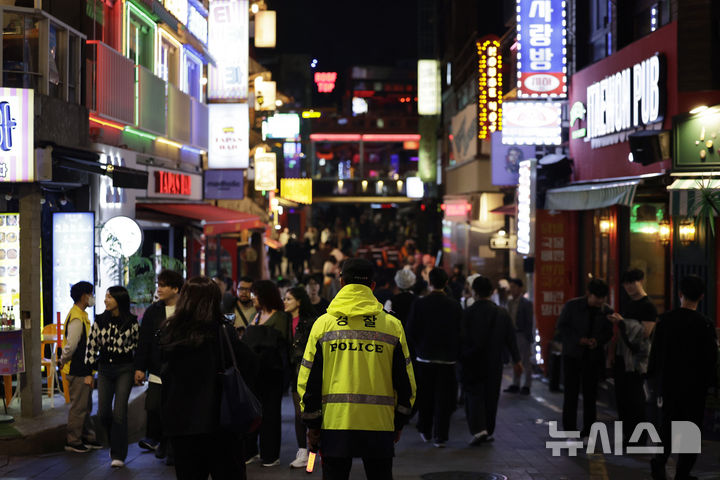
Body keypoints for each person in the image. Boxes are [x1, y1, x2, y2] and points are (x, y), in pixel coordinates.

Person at [298, 258, 416, 479]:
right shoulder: (392, 326)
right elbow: (406, 381)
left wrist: (312, 424)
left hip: (335, 424)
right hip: (380, 424)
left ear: (341, 283)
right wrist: (399, 421)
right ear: (372, 286)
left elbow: (307, 379)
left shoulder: (323, 325)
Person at [159, 276, 258, 480]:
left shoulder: (171, 331)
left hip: (182, 424)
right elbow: (250, 364)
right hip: (221, 422)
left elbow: (164, 374)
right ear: (214, 300)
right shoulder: (223, 330)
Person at [648, 275, 717, 480]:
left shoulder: (665, 321)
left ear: (680, 294)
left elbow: (655, 355)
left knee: (667, 427)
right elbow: (711, 359)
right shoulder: (705, 325)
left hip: (669, 385)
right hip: (695, 388)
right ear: (702, 296)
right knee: (690, 430)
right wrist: (711, 385)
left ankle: (659, 462)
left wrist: (652, 381)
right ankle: (682, 474)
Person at [461, 276, 522, 445]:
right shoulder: (501, 313)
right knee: (491, 396)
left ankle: (478, 429)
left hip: (472, 361)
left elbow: (461, 338)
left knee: (474, 395)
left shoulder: (468, 313)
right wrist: (517, 360)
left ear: (475, 292)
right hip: (494, 362)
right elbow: (511, 338)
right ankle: (488, 429)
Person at [406, 268, 462, 447]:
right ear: (446, 283)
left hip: (424, 358)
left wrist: (419, 348)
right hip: (447, 360)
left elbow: (411, 331)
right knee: (444, 399)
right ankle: (441, 436)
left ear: (430, 282)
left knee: (426, 396)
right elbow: (461, 332)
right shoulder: (454, 305)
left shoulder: (420, 304)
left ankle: (425, 429)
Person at [84, 286, 139, 468]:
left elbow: (138, 348)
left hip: (125, 368)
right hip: (105, 369)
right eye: (106, 297)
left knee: (119, 411)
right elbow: (91, 347)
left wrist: (140, 370)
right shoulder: (100, 320)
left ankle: (118, 454)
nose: (105, 300)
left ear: (119, 300)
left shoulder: (131, 322)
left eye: (109, 297)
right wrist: (89, 373)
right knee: (103, 413)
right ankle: (114, 441)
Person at [134, 270, 185, 463]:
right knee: (156, 407)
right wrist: (140, 367)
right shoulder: (153, 311)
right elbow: (144, 341)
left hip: (179, 368)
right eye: (159, 285)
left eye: (163, 285)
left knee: (175, 408)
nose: (159, 289)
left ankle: (171, 447)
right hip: (157, 368)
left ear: (175, 288)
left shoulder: (185, 310)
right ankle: (162, 441)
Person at [554, 278, 613, 437]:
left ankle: (588, 430)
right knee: (571, 394)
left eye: (603, 297)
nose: (600, 301)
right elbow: (561, 327)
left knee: (590, 396)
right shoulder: (572, 306)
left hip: (593, 358)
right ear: (588, 294)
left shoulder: (606, 311)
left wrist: (597, 341)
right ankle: (570, 430)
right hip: (572, 356)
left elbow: (608, 332)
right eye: (597, 297)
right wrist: (578, 340)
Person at [243, 280, 290, 467]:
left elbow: (280, 344)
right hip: (253, 373)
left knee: (270, 414)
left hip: (272, 373)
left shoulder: (280, 317)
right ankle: (250, 450)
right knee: (252, 412)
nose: (253, 299)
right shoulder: (255, 316)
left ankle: (270, 454)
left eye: (256, 295)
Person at [607, 269, 656, 445]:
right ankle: (628, 435)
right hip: (622, 357)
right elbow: (621, 332)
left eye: (632, 282)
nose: (628, 286)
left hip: (636, 361)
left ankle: (638, 437)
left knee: (636, 400)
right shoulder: (628, 304)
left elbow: (645, 333)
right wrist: (612, 352)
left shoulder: (648, 306)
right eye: (625, 283)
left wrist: (622, 323)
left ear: (641, 281)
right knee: (623, 399)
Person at [59, 281, 101, 453]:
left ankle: (87, 438)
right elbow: (72, 345)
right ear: (84, 296)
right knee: (79, 407)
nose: (92, 297)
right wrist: (63, 359)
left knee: (86, 405)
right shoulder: (77, 317)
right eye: (91, 294)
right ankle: (73, 441)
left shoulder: (81, 314)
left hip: (83, 368)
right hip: (77, 369)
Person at [283, 286, 318, 469]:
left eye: (288, 299)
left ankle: (311, 456)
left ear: (299, 301)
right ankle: (303, 452)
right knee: (299, 414)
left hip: (307, 372)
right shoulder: (284, 320)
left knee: (311, 414)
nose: (285, 302)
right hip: (294, 374)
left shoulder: (310, 322)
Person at [504, 278, 534, 395]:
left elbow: (529, 322)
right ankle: (516, 383)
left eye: (514, 287)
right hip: (512, 334)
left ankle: (527, 385)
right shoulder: (510, 302)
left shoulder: (526, 303)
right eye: (511, 287)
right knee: (515, 359)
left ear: (520, 288)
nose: (512, 289)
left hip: (522, 334)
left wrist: (528, 337)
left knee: (525, 361)